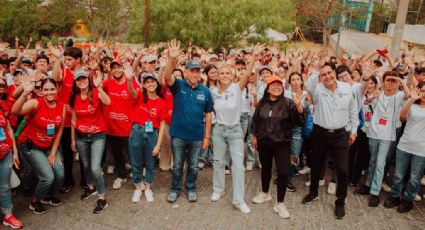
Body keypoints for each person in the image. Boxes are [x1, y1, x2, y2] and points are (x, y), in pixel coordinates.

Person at [302, 63, 359, 220]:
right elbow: (309, 88)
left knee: (343, 170)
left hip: (341, 134)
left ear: (335, 72)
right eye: (323, 74)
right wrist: (314, 71)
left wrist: (354, 130)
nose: (327, 76)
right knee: (316, 165)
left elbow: (353, 109)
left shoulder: (347, 88)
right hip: (320, 133)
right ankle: (313, 193)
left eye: (329, 73)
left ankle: (340, 202)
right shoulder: (318, 89)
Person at [210, 45, 261, 214]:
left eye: (227, 73)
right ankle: (218, 189)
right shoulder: (213, 91)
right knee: (218, 162)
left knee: (238, 166)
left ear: (232, 76)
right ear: (217, 76)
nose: (224, 75)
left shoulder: (237, 88)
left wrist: (252, 56)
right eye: (222, 73)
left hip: (234, 131)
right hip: (218, 130)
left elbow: (247, 74)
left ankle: (239, 200)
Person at [163, 40, 213, 203]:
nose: (195, 74)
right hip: (178, 134)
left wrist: (206, 137)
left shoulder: (205, 91)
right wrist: (171, 59)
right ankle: (175, 188)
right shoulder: (178, 85)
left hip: (196, 136)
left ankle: (191, 188)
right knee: (177, 165)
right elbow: (167, 75)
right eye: (192, 71)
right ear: (185, 72)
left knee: (192, 166)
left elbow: (208, 115)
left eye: (197, 71)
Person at [250, 75, 305, 218]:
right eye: (273, 85)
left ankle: (280, 203)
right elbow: (256, 120)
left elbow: (299, 122)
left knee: (283, 172)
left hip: (282, 143)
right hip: (264, 142)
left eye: (279, 85)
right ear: (267, 89)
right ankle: (265, 193)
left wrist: (299, 106)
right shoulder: (262, 103)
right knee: (265, 169)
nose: (277, 87)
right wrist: (255, 136)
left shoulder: (289, 103)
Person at [354, 71, 410, 207]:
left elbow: (409, 95)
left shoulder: (399, 96)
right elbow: (365, 102)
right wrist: (373, 98)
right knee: (372, 161)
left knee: (380, 164)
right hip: (373, 132)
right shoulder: (378, 94)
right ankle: (368, 185)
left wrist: (400, 79)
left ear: (397, 83)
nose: (390, 83)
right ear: (383, 81)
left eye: (393, 81)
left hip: (387, 135)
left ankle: (375, 192)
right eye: (388, 80)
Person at [12, 78, 65, 215]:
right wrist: (25, 93)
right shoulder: (35, 103)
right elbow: (15, 111)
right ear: (41, 91)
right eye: (46, 89)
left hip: (49, 146)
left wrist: (53, 154)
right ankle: (35, 201)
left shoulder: (62, 106)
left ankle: (49, 196)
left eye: (52, 89)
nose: (49, 92)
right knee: (47, 177)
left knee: (59, 174)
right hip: (32, 146)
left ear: (56, 90)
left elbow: (59, 132)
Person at [70, 70, 111, 214]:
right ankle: (91, 187)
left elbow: (108, 101)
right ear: (75, 82)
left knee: (95, 167)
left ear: (88, 80)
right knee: (85, 164)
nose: (82, 81)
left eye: (84, 78)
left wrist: (99, 86)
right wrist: (73, 138)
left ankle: (102, 198)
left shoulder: (95, 93)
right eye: (78, 79)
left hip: (97, 136)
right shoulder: (74, 97)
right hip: (81, 136)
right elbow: (73, 120)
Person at [384, 82, 425, 213]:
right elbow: (402, 117)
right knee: (398, 174)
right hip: (404, 145)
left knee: (414, 177)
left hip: (421, 149)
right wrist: (412, 99)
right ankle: (395, 196)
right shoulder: (413, 105)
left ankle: (408, 200)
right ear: (418, 91)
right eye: (422, 90)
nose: (424, 94)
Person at [128, 72, 167, 203]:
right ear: (144, 84)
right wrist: (129, 79)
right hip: (137, 131)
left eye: (153, 81)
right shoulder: (139, 96)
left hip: (152, 133)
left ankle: (148, 186)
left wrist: (158, 145)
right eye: (147, 82)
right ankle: (138, 187)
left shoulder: (162, 102)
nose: (150, 84)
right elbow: (132, 91)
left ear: (157, 84)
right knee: (136, 161)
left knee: (150, 162)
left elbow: (162, 125)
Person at [102, 60, 140, 190]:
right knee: (118, 155)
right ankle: (121, 175)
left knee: (133, 154)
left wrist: (129, 80)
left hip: (128, 127)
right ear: (111, 70)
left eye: (119, 68)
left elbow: (135, 97)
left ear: (123, 69)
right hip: (112, 127)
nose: (116, 70)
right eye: (114, 68)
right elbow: (94, 87)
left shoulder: (131, 81)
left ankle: (137, 176)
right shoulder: (108, 83)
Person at [284, 72, 312, 192]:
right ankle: (285, 177)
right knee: (284, 154)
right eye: (293, 80)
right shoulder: (286, 94)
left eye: (297, 79)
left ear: (301, 81)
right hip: (285, 128)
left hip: (298, 129)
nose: (295, 82)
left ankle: (288, 178)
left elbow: (310, 111)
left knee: (294, 155)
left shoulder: (306, 95)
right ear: (290, 82)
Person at [0, 90, 24, 228]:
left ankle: (8, 215)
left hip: (5, 154)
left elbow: (8, 129)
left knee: (4, 187)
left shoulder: (1, 106)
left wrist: (14, 151)